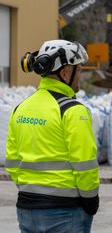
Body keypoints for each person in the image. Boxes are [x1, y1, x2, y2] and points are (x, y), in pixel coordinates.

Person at [5, 40, 100, 233]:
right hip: (65, 211)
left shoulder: (21, 108)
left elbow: (12, 161)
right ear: (65, 72)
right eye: (78, 70)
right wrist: (90, 200)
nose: (80, 76)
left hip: (26, 209)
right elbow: (85, 164)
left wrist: (31, 191)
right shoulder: (73, 111)